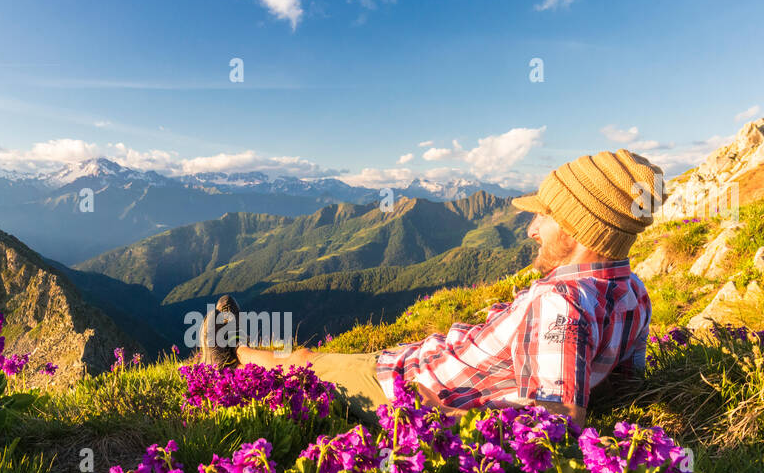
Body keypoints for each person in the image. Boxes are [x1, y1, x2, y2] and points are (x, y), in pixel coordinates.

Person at [203, 149, 661, 428]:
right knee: (335, 357)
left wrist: (442, 416)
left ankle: (230, 359)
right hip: (428, 363)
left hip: (411, 392)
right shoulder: (634, 292)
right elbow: (625, 385)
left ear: (578, 229)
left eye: (545, 215)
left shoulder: (559, 304)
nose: (532, 229)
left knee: (306, 362)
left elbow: (556, 422)